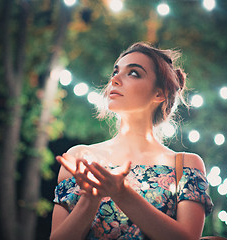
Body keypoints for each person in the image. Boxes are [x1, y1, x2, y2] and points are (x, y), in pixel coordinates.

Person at [50, 42, 213, 240]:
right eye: (115, 72)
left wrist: (123, 193)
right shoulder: (80, 158)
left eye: (133, 73)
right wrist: (90, 199)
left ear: (159, 93)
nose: (115, 79)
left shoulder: (185, 164)